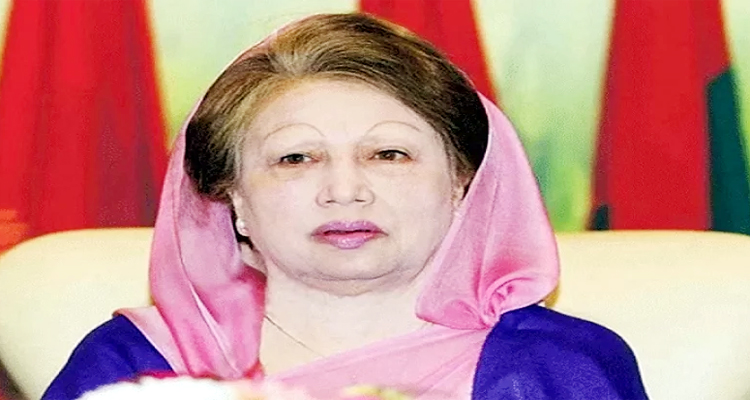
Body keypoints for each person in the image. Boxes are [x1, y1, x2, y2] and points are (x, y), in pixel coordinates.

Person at [43, 13, 647, 400]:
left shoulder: (556, 367)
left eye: (388, 154)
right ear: (233, 198)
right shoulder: (133, 363)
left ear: (463, 184)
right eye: (296, 158)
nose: (345, 189)